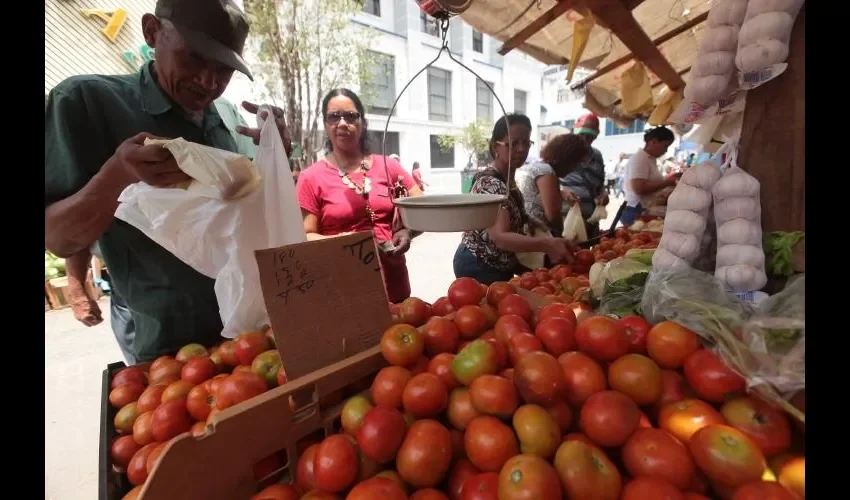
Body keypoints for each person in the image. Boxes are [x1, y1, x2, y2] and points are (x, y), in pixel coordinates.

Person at [44, 0, 292, 362]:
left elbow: (252, 225)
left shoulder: (228, 119)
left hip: (250, 339)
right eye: (194, 58)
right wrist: (117, 175)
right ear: (152, 31)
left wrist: (274, 160)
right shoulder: (86, 103)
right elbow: (58, 238)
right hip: (168, 354)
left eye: (224, 70)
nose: (209, 82)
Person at [296, 88, 422, 304]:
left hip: (395, 287)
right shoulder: (311, 178)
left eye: (350, 116)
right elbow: (305, 236)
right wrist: (346, 242)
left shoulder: (389, 166)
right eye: (334, 117)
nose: (342, 123)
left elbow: (424, 209)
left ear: (362, 122)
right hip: (343, 291)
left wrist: (406, 231)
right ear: (325, 124)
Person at [453, 114, 574, 285]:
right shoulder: (490, 183)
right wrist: (546, 244)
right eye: (513, 143)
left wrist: (529, 220)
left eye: (526, 143)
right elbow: (500, 237)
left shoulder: (508, 179)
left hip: (500, 264)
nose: (521, 149)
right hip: (479, 264)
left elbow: (509, 210)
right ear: (495, 146)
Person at [516, 134, 590, 237]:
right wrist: (562, 236)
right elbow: (553, 216)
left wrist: (561, 193)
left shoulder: (533, 167)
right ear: (567, 159)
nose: (575, 168)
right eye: (576, 163)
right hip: (538, 236)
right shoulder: (547, 171)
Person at [560, 113, 609, 238]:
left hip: (591, 219)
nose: (585, 139)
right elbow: (548, 181)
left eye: (590, 135)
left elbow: (600, 185)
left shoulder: (597, 156)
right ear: (574, 132)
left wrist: (603, 194)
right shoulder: (563, 152)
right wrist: (562, 192)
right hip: (567, 218)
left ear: (595, 136)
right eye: (582, 134)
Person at [621, 126, 680, 226]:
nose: (666, 150)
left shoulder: (650, 159)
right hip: (636, 210)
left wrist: (669, 179)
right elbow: (639, 188)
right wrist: (666, 182)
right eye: (665, 146)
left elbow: (649, 182)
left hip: (642, 208)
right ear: (653, 142)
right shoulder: (640, 158)